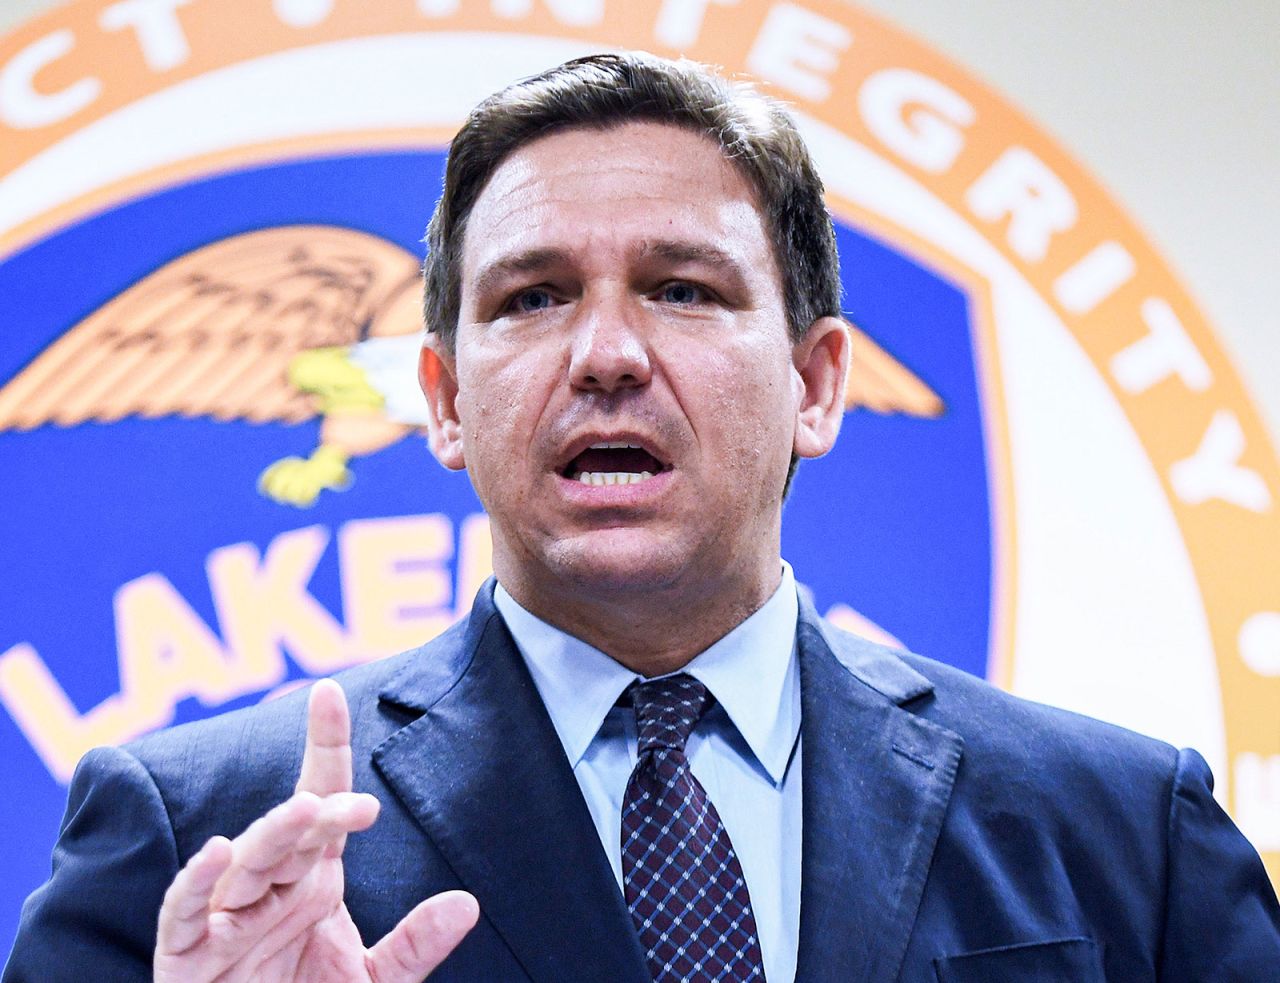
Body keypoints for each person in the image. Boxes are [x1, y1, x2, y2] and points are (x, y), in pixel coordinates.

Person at [6, 52, 1279, 983]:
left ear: (815, 383)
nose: (605, 353)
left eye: (679, 287)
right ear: (443, 402)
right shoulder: (204, 840)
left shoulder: (1123, 829)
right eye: (532, 298)